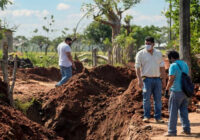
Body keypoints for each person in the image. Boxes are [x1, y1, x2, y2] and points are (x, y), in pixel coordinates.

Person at [135, 36, 166, 123]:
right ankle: (146, 116)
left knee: (158, 99)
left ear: (153, 44)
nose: (147, 45)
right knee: (146, 99)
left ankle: (158, 117)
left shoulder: (158, 53)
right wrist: (139, 79)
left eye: (149, 44)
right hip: (146, 80)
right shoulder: (140, 54)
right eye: (146, 44)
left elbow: (162, 67)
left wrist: (164, 80)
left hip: (157, 80)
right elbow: (137, 68)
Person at [165, 50, 191, 136]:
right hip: (185, 91)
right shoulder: (185, 64)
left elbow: (171, 79)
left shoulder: (173, 65)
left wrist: (167, 89)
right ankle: (187, 129)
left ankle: (172, 131)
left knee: (173, 111)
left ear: (171, 58)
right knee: (183, 110)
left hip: (176, 91)